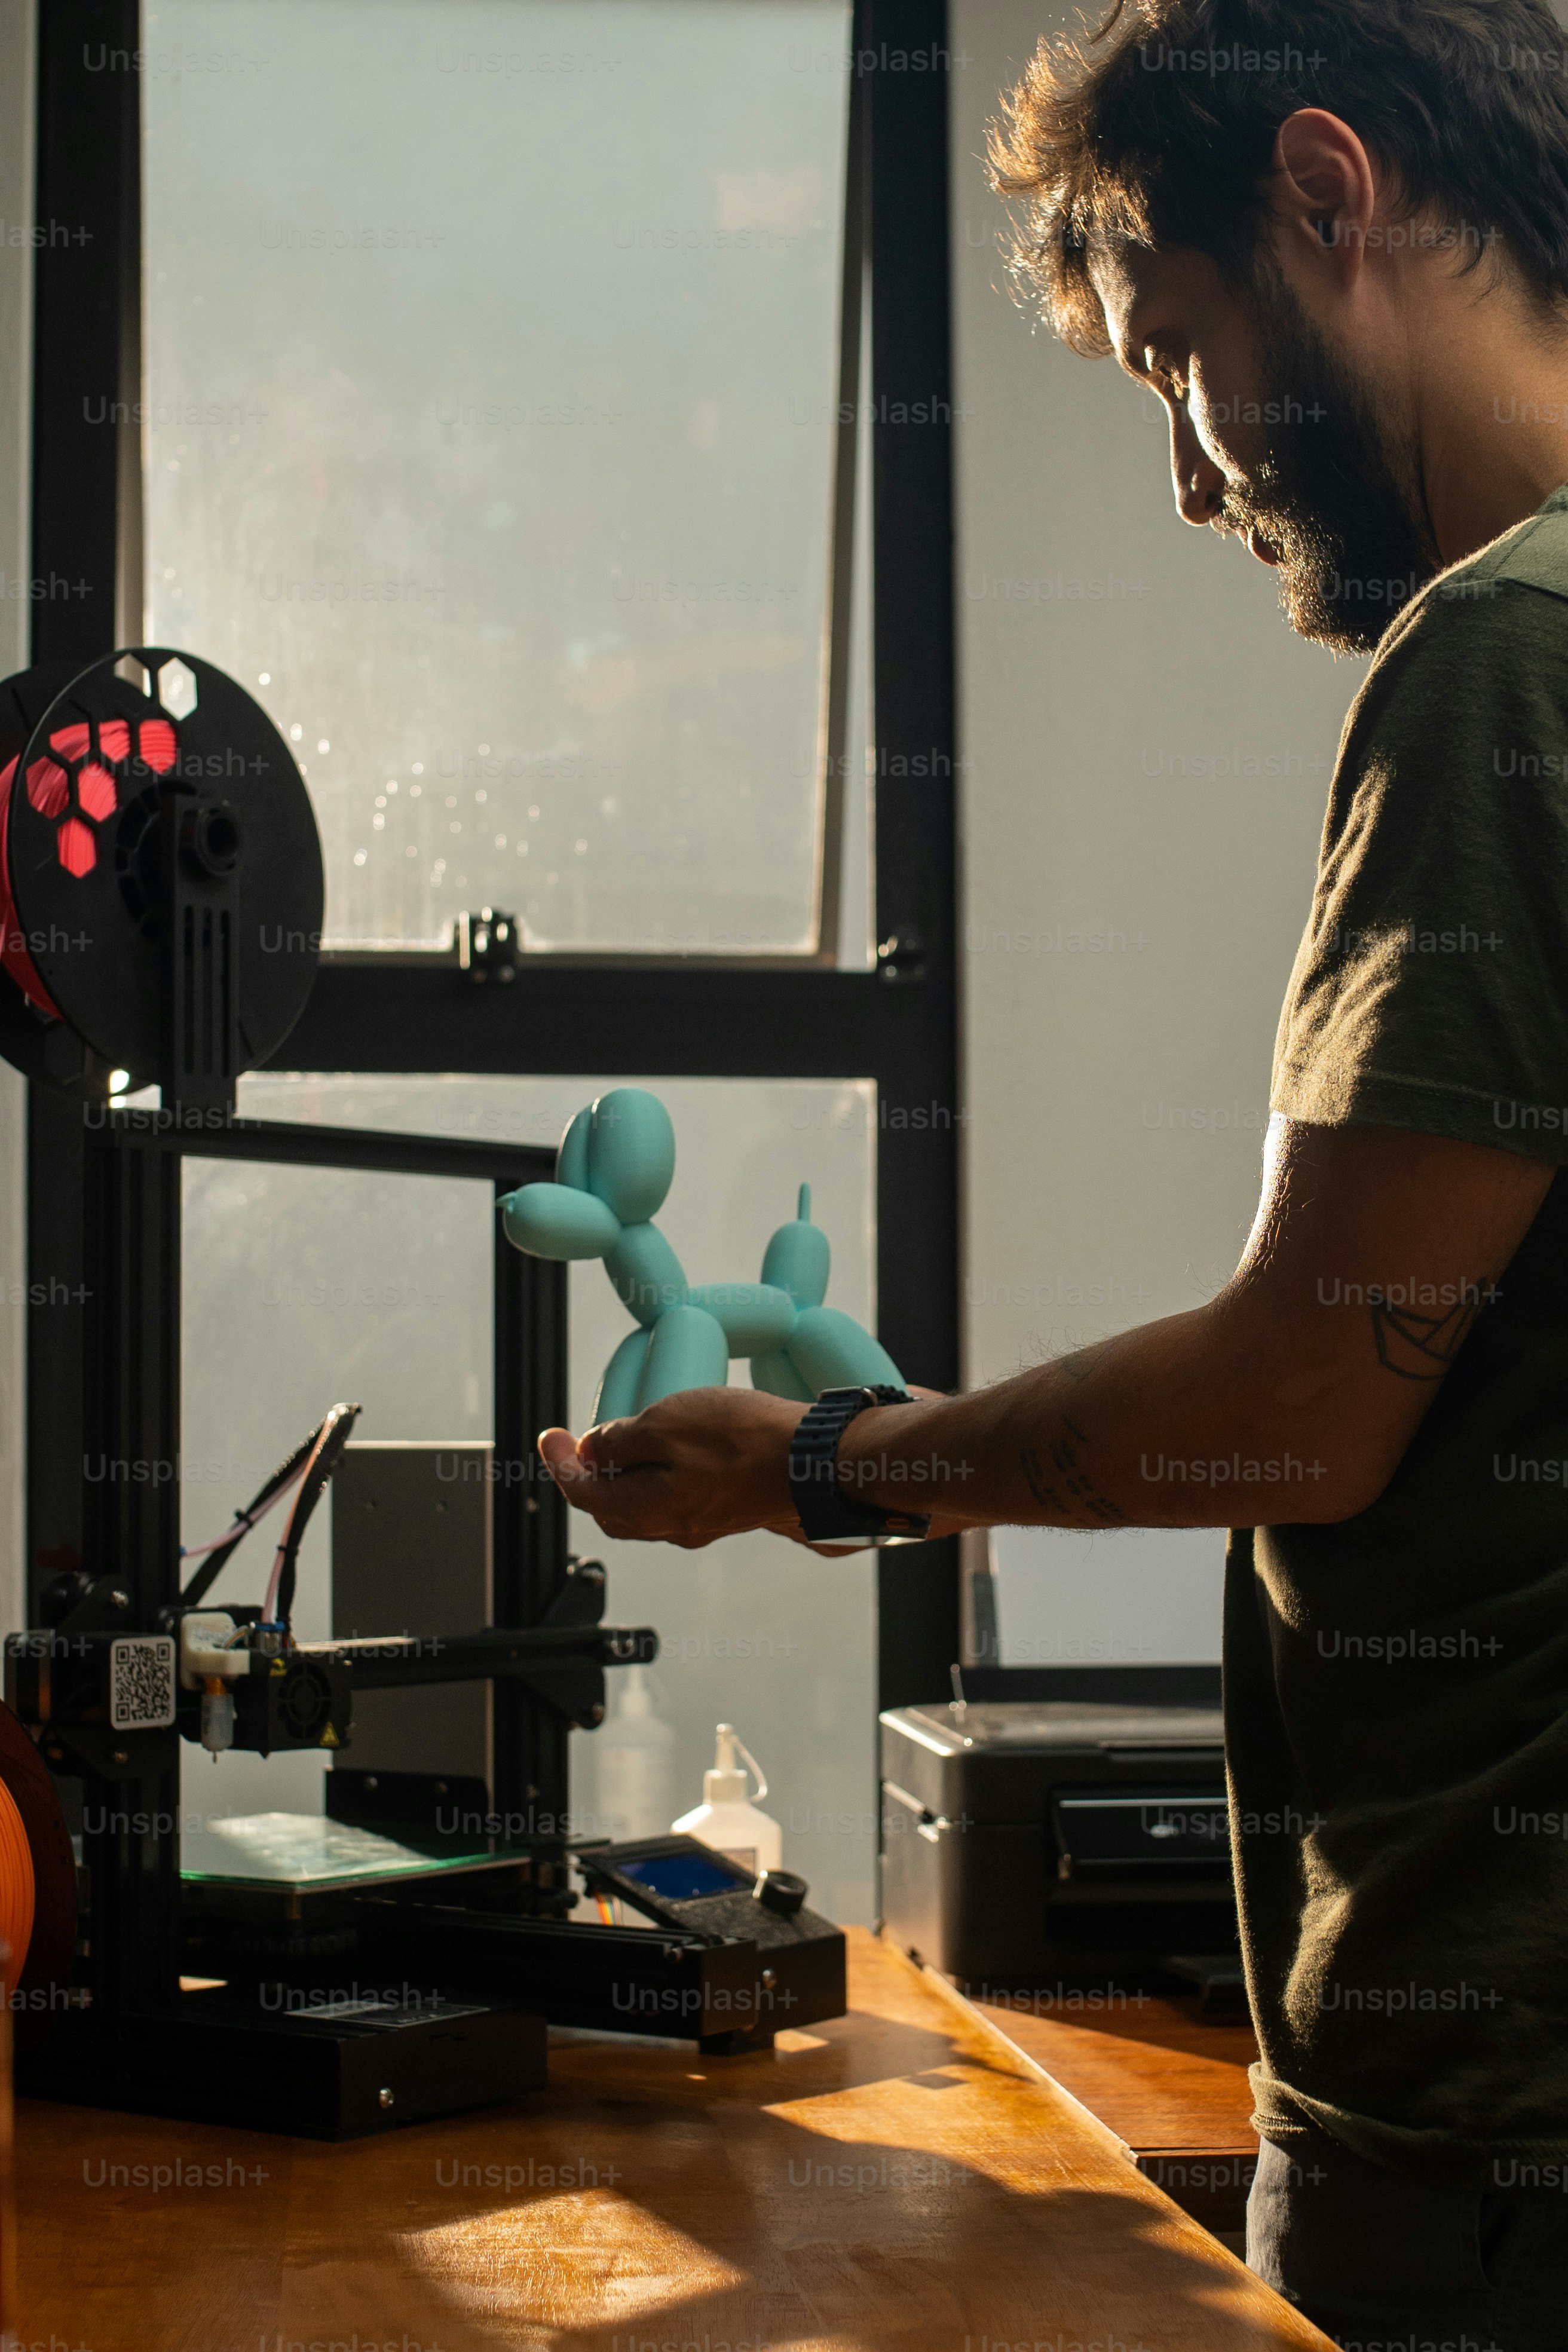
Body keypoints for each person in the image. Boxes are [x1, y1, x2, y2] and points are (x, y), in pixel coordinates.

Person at [540, 1, 1568, 2338]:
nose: (1194, 479)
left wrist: (817, 1458)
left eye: (1174, 358)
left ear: (1329, 190)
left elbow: (1302, 1404)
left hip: (1487, 2124)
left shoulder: (1496, 663)